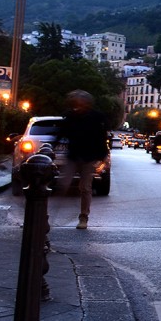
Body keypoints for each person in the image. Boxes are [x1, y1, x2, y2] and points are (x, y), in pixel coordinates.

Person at [56, 90, 108, 230]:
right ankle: (48, 214)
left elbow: (102, 137)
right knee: (63, 184)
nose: (79, 105)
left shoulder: (96, 117)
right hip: (73, 155)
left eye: (81, 102)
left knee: (85, 187)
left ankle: (83, 216)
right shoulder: (70, 116)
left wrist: (103, 155)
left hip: (89, 157)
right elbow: (62, 133)